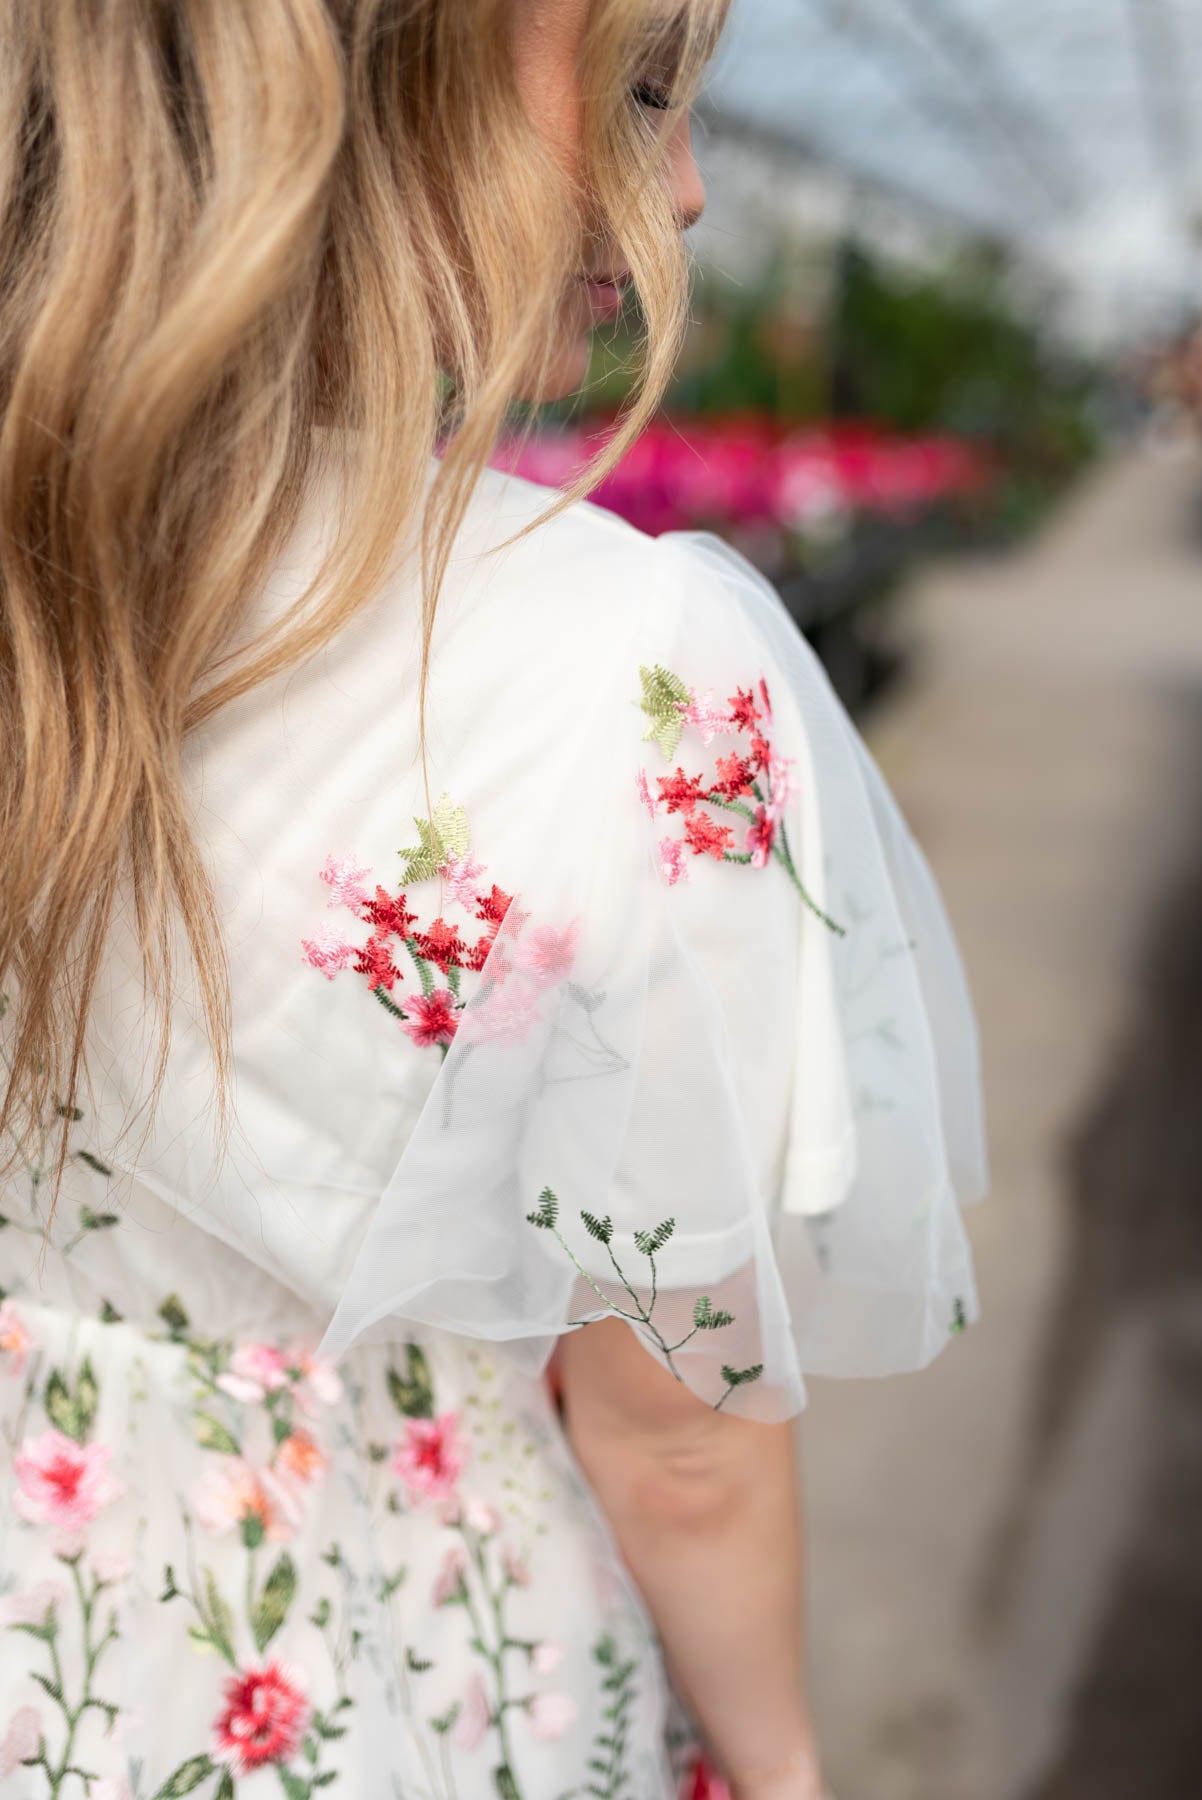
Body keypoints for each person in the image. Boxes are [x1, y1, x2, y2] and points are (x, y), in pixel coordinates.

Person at [0, 3, 987, 1797]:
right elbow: (675, 1428)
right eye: (636, 89)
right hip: (392, 1657)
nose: (683, 191)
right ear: (381, 68)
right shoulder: (631, 663)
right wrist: (779, 1767)